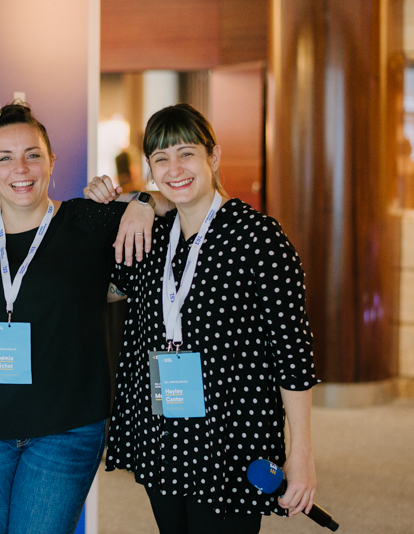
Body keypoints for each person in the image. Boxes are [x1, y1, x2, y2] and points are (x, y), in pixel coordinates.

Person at [0, 103, 170, 534]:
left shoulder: (87, 221)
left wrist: (145, 200)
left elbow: (182, 208)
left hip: (66, 427)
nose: (21, 169)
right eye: (5, 158)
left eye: (32, 155)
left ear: (51, 161)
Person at [85, 103, 318, 533]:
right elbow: (98, 289)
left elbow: (294, 354)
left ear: (214, 156)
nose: (175, 169)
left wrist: (301, 452)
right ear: (151, 169)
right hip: (163, 432)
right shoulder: (152, 236)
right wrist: (116, 204)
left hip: (232, 435)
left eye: (187, 153)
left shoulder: (259, 238)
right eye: (161, 158)